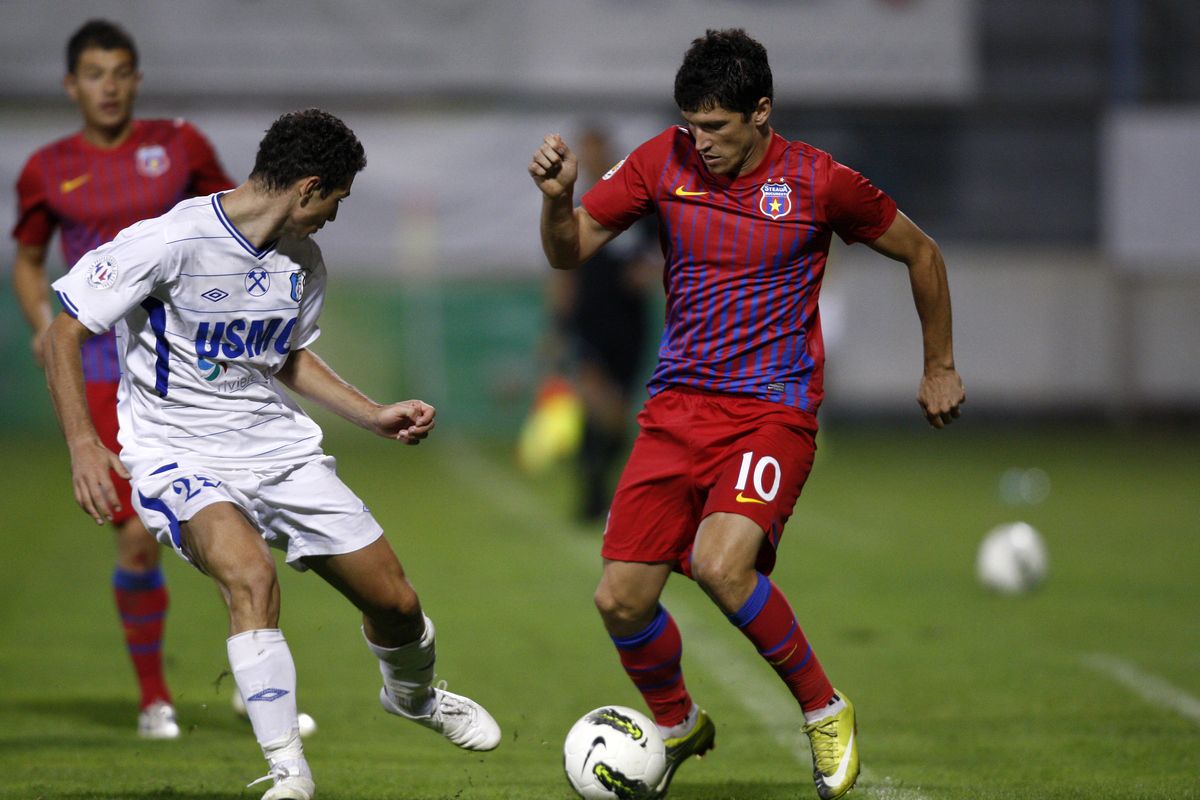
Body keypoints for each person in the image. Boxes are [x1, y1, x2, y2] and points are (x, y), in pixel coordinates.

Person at [530, 28, 964, 800]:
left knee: (718, 564)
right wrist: (558, 202)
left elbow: (922, 253)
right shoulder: (663, 161)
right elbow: (571, 251)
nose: (703, 143)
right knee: (619, 600)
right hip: (675, 409)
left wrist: (937, 366)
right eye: (693, 125)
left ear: (762, 112)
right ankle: (677, 722)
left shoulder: (821, 183)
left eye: (718, 129)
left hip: (772, 410)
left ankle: (824, 709)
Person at [43, 108, 501, 800]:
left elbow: (283, 355)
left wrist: (371, 414)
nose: (334, 219)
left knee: (397, 604)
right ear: (309, 187)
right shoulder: (168, 240)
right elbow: (62, 334)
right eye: (337, 202)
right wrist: (84, 442)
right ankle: (289, 773)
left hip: (278, 451)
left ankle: (414, 696)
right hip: (178, 453)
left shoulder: (302, 260)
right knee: (250, 577)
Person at [9, 18, 233, 739]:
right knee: (137, 538)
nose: (109, 86)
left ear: (137, 79)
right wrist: (46, 328)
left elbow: (235, 221)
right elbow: (27, 258)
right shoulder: (46, 167)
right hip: (104, 370)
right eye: (95, 74)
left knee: (235, 519)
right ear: (72, 85)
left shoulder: (180, 147)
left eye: (121, 72)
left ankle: (256, 674)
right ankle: (154, 699)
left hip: (187, 365)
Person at [545, 125, 657, 521]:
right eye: (587, 152)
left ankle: (597, 479)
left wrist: (648, 273)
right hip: (589, 322)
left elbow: (660, 256)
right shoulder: (578, 205)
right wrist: (558, 326)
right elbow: (562, 269)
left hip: (630, 324)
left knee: (617, 416)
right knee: (598, 404)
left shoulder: (640, 207)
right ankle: (591, 489)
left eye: (598, 151)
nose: (592, 159)